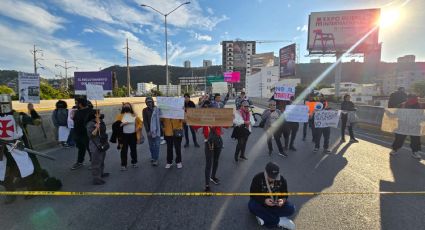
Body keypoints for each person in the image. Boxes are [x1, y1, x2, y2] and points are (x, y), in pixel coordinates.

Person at [0, 94, 62, 204]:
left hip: (17, 148)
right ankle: (11, 193)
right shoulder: (16, 115)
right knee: (3, 172)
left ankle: (33, 189)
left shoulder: (17, 116)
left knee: (27, 169)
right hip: (3, 150)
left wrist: (32, 110)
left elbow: (37, 121)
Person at [248, 162, 296, 229]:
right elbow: (252, 194)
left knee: (291, 209)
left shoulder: (282, 179)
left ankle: (264, 217)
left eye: (274, 177)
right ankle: (279, 221)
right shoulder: (258, 178)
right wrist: (264, 200)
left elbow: (285, 194)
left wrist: (282, 200)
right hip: (261, 202)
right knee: (252, 206)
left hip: (275, 204)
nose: (272, 179)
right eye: (270, 176)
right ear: (265, 171)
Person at [193, 100, 225, 192]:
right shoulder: (202, 119)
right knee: (208, 163)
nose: (207, 110)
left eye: (208, 108)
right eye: (205, 108)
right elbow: (194, 126)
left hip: (218, 140)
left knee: (216, 160)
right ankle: (207, 185)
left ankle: (213, 176)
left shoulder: (217, 117)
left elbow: (226, 125)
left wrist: (231, 118)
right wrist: (187, 116)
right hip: (208, 142)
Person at [390, 94, 423, 159]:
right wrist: (388, 113)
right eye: (411, 98)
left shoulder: (420, 105)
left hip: (415, 126)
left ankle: (415, 152)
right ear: (408, 98)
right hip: (403, 125)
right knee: (399, 138)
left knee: (415, 140)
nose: (413, 99)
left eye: (414, 98)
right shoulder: (402, 105)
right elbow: (395, 114)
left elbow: (422, 116)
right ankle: (395, 149)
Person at [116, 103, 142, 171]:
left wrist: (138, 127)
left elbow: (140, 123)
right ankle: (123, 165)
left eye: (128, 106)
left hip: (133, 135)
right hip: (123, 136)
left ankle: (134, 162)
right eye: (125, 106)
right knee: (123, 150)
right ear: (123, 107)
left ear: (130, 108)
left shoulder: (134, 116)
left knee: (133, 149)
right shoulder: (120, 116)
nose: (126, 107)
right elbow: (116, 126)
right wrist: (122, 124)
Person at [87, 109, 110, 185]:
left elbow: (103, 131)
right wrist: (96, 128)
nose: (100, 114)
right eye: (98, 113)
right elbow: (91, 135)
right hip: (95, 145)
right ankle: (96, 179)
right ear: (95, 115)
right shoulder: (90, 124)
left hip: (102, 143)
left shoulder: (100, 121)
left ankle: (101, 173)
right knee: (96, 162)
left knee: (102, 160)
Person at [71, 98, 93, 170]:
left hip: (87, 134)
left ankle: (94, 162)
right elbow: (74, 119)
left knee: (90, 149)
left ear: (80, 104)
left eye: (77, 103)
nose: (76, 104)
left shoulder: (90, 111)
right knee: (81, 149)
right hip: (78, 134)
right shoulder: (77, 111)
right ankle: (80, 162)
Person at [143, 97, 161, 166]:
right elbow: (145, 121)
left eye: (150, 102)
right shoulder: (144, 110)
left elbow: (160, 119)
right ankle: (153, 156)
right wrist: (148, 131)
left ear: (152, 102)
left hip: (157, 130)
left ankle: (155, 159)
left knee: (156, 145)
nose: (149, 103)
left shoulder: (157, 109)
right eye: (147, 102)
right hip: (150, 131)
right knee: (151, 146)